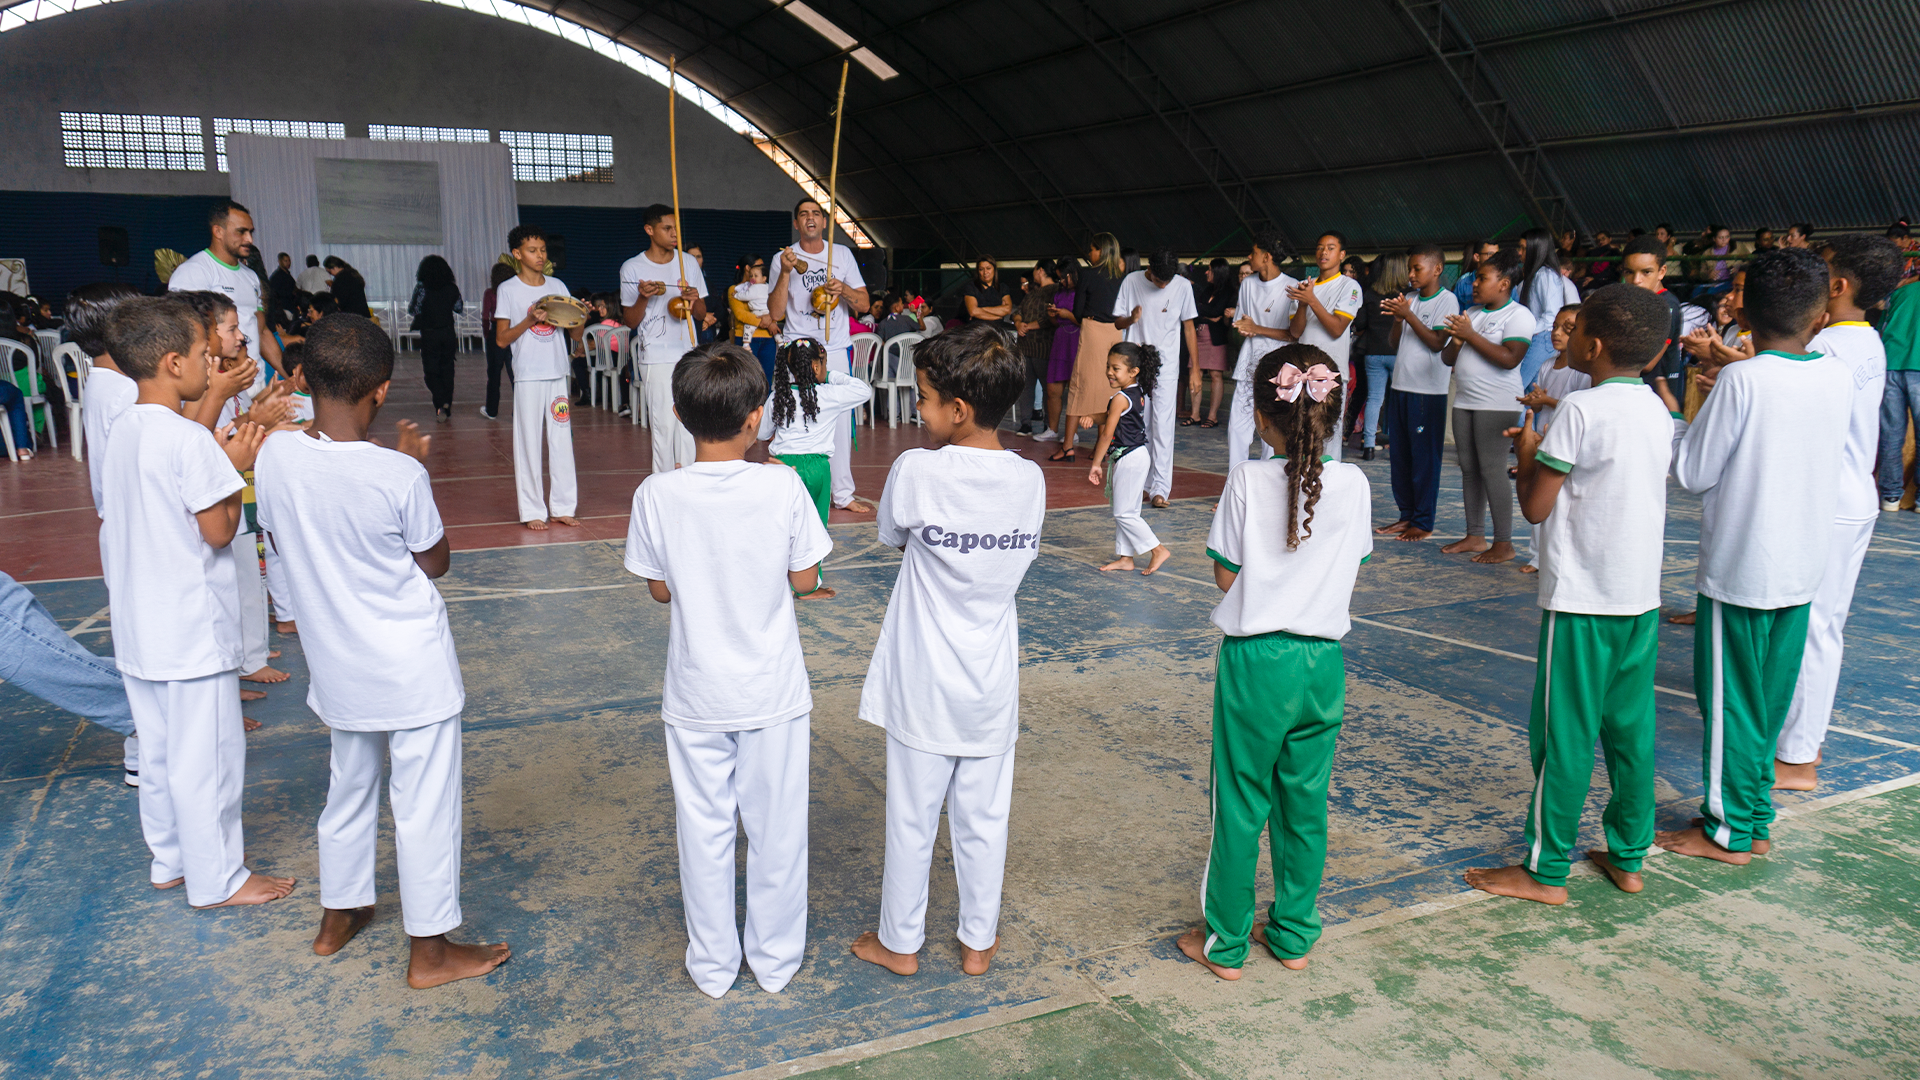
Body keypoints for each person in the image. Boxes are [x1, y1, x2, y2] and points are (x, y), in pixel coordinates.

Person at [253, 314, 509, 988]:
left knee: (349, 787)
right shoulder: (395, 474)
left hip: (337, 662)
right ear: (382, 390)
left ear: (304, 377)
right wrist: (411, 470)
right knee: (424, 804)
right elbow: (436, 561)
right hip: (410, 669)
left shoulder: (274, 454)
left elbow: (284, 536)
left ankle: (338, 917)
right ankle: (430, 953)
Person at [623, 340, 831, 998]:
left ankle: (713, 967)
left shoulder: (657, 493)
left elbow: (659, 591)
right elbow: (805, 578)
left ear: (680, 416)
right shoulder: (783, 484)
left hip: (695, 692)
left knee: (703, 831)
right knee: (777, 833)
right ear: (757, 417)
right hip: (771, 690)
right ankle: (774, 963)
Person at [1462, 285, 1675, 905]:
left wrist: (1528, 450)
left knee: (1564, 737)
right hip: (1639, 599)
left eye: (1576, 329)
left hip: (1583, 601)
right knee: (1630, 734)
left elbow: (1534, 506)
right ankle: (1629, 855)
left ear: (1594, 345)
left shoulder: (1580, 410)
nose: (1569, 336)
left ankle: (1545, 868)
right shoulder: (1657, 411)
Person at [847, 321, 1044, 980]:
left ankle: (899, 944)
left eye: (925, 398)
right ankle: (977, 944)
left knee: (911, 816)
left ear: (958, 410)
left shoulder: (916, 470)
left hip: (923, 681)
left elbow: (893, 537)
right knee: (985, 818)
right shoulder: (1028, 480)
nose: (918, 409)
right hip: (990, 686)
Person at [1650, 248, 1852, 866]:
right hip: (1802, 566)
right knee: (1764, 703)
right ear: (1820, 314)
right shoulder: (1836, 373)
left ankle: (1728, 830)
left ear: (1745, 312)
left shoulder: (1742, 380)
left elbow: (1692, 472)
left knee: (1729, 703)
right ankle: (1753, 814)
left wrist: (1687, 410)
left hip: (1742, 569)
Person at [1179, 343, 1371, 980]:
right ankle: (1292, 935)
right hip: (1324, 663)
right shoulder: (1355, 483)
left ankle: (1226, 943)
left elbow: (1223, 573)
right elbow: (1353, 567)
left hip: (1258, 661)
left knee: (1238, 801)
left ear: (1262, 416)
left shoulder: (1248, 479)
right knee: (1304, 803)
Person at [99, 296, 294, 909]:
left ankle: (171, 861)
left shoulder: (124, 429)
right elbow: (216, 530)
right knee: (208, 757)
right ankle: (219, 879)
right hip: (190, 628)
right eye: (207, 356)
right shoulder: (187, 441)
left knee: (158, 753)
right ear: (173, 361)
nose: (214, 365)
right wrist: (232, 467)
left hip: (140, 627)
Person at [1772, 237, 1903, 791]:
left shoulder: (1831, 346)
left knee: (1813, 630)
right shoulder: (1865, 340)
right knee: (1824, 627)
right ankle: (1802, 741)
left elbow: (1799, 407)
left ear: (1838, 287)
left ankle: (1799, 756)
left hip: (1830, 501)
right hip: (1850, 498)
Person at [62, 282, 145, 781]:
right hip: (137, 529)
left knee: (137, 645)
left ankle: (149, 744)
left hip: (121, 527)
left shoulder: (103, 381)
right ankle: (145, 748)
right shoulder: (129, 390)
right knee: (143, 653)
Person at [770, 198, 872, 513]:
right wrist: (786, 273)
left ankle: (841, 493)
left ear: (825, 222)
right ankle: (788, 484)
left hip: (833, 349)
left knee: (840, 421)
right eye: (804, 214)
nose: (810, 218)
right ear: (797, 223)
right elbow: (775, 312)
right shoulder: (782, 258)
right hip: (795, 350)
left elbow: (864, 305)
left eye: (816, 213)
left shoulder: (840, 255)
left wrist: (843, 289)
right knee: (788, 416)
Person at [1440, 249, 1533, 566]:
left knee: (1492, 469)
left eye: (1482, 278)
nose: (1474, 283)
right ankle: (1474, 534)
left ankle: (1504, 542)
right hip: (1465, 400)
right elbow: (1447, 360)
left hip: (1497, 403)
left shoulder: (1519, 315)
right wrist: (1457, 339)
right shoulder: (1474, 315)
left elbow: (1510, 359)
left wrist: (1469, 335)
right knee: (1469, 468)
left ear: (1504, 284)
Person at [494, 225, 582, 531]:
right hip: (529, 375)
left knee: (561, 442)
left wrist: (581, 317)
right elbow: (502, 339)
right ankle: (532, 508)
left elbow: (574, 330)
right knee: (528, 442)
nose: (539, 255)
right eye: (532, 250)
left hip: (557, 372)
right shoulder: (508, 290)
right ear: (517, 254)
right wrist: (530, 320)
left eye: (543, 250)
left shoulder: (558, 285)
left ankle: (562, 506)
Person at [1376, 246, 1458, 544]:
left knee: (1424, 459)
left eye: (1417, 269)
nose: (1410, 275)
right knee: (1401, 457)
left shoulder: (1446, 300)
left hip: (1427, 393)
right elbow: (1395, 343)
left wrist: (1408, 315)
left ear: (1437, 269)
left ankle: (1423, 521)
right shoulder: (1408, 300)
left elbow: (1438, 342)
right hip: (1401, 387)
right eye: (1409, 269)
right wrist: (1399, 320)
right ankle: (1407, 514)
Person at [758, 337, 872, 546]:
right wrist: (827, 375)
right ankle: (813, 577)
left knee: (786, 530)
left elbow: (762, 434)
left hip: (783, 466)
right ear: (816, 365)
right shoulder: (829, 394)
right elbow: (863, 390)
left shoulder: (777, 397)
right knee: (816, 531)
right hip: (818, 468)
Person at [621, 205, 708, 475]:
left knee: (691, 425)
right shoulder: (633, 267)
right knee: (664, 426)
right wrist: (643, 297)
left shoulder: (688, 262)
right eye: (667, 229)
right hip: (656, 356)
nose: (674, 235)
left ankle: (692, 484)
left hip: (688, 353)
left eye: (676, 229)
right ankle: (664, 485)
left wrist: (693, 300)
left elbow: (701, 314)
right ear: (650, 230)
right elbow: (630, 322)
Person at [1113, 249, 1198, 509]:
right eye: (1160, 281)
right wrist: (1132, 318)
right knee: (1138, 423)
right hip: (1136, 366)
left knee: (1163, 426)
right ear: (1150, 270)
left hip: (1167, 366)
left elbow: (1188, 327)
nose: (1164, 286)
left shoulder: (1182, 286)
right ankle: (1139, 482)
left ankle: (1160, 488)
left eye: (1168, 281)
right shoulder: (1131, 281)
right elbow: (1118, 323)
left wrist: (1195, 368)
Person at [167, 199, 283, 382]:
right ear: (218, 231)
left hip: (255, 381)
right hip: (218, 385)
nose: (249, 240)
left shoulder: (251, 276)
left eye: (251, 232)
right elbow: (186, 338)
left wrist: (290, 376)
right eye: (241, 232)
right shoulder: (194, 272)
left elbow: (261, 332)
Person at [1088, 342, 1171, 575]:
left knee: (1123, 513)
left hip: (1129, 458)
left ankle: (1157, 549)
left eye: (1115, 368)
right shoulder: (1136, 393)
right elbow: (1110, 417)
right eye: (1108, 367)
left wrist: (1096, 463)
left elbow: (1107, 433)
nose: (1109, 372)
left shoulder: (1119, 398)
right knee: (1129, 510)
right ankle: (1126, 558)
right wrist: (1092, 418)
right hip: (1136, 455)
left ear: (1133, 371)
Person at [1287, 234, 1365, 460]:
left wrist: (1311, 300)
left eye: (1330, 248)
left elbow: (1336, 329)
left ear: (1341, 255)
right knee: (1301, 435)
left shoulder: (1349, 286)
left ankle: (1327, 490)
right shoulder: (1305, 287)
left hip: (1329, 375)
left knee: (1326, 438)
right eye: (1320, 248)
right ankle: (1300, 490)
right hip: (1302, 373)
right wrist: (1303, 303)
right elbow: (1295, 332)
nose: (1323, 252)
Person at [1227, 234, 1298, 469]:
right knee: (1238, 428)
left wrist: (1256, 328)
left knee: (1273, 431)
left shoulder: (1292, 286)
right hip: (1249, 364)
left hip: (1279, 368)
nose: (1249, 257)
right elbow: (1242, 322)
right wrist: (1245, 327)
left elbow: (1292, 334)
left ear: (1266, 257)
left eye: (1254, 253)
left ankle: (1267, 485)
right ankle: (1235, 485)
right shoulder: (1248, 284)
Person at [1057, 234, 1126, 463]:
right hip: (1116, 332)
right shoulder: (1121, 277)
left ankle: (1067, 446)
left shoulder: (1088, 274)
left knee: (1079, 385)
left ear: (1101, 251)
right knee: (1110, 386)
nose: (1089, 254)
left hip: (1093, 329)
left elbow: (1077, 311)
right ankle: (1103, 445)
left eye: (1092, 249)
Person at [1352, 253, 1408, 459]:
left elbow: (1360, 324)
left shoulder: (1370, 294)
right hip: (1398, 354)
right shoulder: (1408, 296)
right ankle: (1400, 444)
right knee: (1401, 399)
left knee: (1374, 398)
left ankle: (1368, 446)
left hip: (1373, 352)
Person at [1515, 229, 1574, 421]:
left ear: (1536, 250)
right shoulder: (1531, 277)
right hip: (1536, 338)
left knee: (1518, 390)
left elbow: (1551, 316)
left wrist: (1526, 332)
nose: (1519, 252)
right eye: (1520, 248)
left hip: (1542, 338)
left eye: (1524, 248)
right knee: (1529, 395)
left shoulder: (1545, 275)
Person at [1878, 268, 1920, 513]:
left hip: (1891, 364)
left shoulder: (1898, 290)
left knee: (1892, 435)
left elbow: (1883, 325)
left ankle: (1890, 497)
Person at [409, 255, 463, 423]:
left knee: (431, 371)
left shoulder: (422, 288)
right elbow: (458, 308)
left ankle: (440, 402)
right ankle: (446, 403)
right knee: (448, 369)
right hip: (448, 332)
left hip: (430, 333)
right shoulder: (452, 288)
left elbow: (414, 310)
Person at [1186, 258, 1233, 429]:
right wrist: (1211, 315)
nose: (1206, 272)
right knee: (1194, 372)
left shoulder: (1228, 292)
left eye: (1210, 269)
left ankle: (1212, 416)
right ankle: (1195, 414)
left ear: (1218, 272)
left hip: (1216, 338)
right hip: (1198, 336)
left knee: (1215, 375)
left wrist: (1208, 312)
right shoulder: (1206, 290)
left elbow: (1213, 311)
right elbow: (1197, 309)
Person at [1012, 260, 1058, 435]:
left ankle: (1048, 423)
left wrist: (1027, 326)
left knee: (1048, 388)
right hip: (1025, 347)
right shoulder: (1032, 293)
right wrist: (1018, 323)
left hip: (1044, 346)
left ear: (1040, 270)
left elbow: (1050, 318)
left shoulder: (1054, 291)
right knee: (1026, 386)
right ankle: (1026, 423)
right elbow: (1018, 311)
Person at [1040, 260, 1080, 442]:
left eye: (1064, 277)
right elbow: (1057, 321)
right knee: (1053, 388)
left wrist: (1067, 314)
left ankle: (1073, 432)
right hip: (1060, 339)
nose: (1062, 281)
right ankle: (1052, 429)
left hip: (1077, 340)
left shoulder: (1082, 292)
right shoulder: (1059, 292)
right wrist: (1054, 316)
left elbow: (1086, 321)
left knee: (1075, 388)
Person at [476, 263, 516, 421]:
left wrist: (487, 335)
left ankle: (491, 410)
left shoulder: (490, 293)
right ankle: (519, 411)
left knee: (493, 374)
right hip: (513, 333)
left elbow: (486, 316)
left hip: (496, 332)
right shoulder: (514, 292)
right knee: (515, 375)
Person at [730, 253, 778, 382]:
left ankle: (766, 402)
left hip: (768, 339)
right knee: (746, 379)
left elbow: (780, 310)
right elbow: (741, 315)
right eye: (759, 266)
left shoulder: (768, 289)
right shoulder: (735, 290)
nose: (763, 268)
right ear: (747, 268)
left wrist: (771, 318)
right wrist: (768, 322)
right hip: (747, 339)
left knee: (767, 377)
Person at [961, 257, 1012, 325]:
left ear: (994, 269)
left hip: (998, 328)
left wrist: (981, 309)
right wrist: (998, 315)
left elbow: (1007, 309)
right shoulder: (971, 287)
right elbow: (973, 312)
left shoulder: (1003, 288)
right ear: (978, 272)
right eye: (981, 269)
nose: (985, 272)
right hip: (978, 327)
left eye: (988, 268)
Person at [1454, 239, 1498, 307]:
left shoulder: (1505, 282)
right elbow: (1456, 313)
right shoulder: (1463, 283)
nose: (1495, 258)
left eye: (1497, 254)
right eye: (1490, 254)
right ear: (1477, 257)